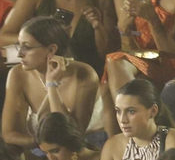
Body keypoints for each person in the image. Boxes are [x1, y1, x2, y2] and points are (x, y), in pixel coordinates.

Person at [0, 16, 101, 150]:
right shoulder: (18, 74)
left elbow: (70, 138)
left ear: (51, 50)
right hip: (39, 150)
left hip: (85, 149)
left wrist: (52, 84)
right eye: (19, 45)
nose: (19, 54)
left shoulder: (84, 74)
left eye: (27, 47)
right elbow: (9, 135)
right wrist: (41, 144)